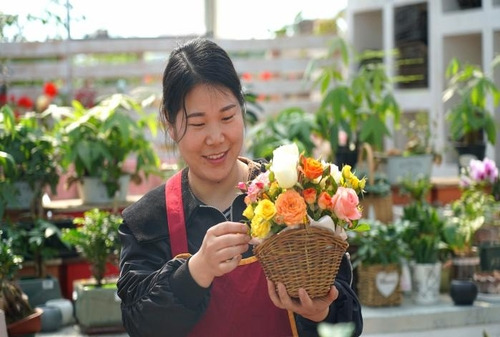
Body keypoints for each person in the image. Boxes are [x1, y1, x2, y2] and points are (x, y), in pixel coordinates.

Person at [117, 37, 363, 337]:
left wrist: (321, 311)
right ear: (170, 125)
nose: (216, 137)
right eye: (197, 124)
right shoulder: (147, 221)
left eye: (227, 116)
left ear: (242, 108)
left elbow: (348, 319)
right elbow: (140, 325)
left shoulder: (296, 194)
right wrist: (197, 271)